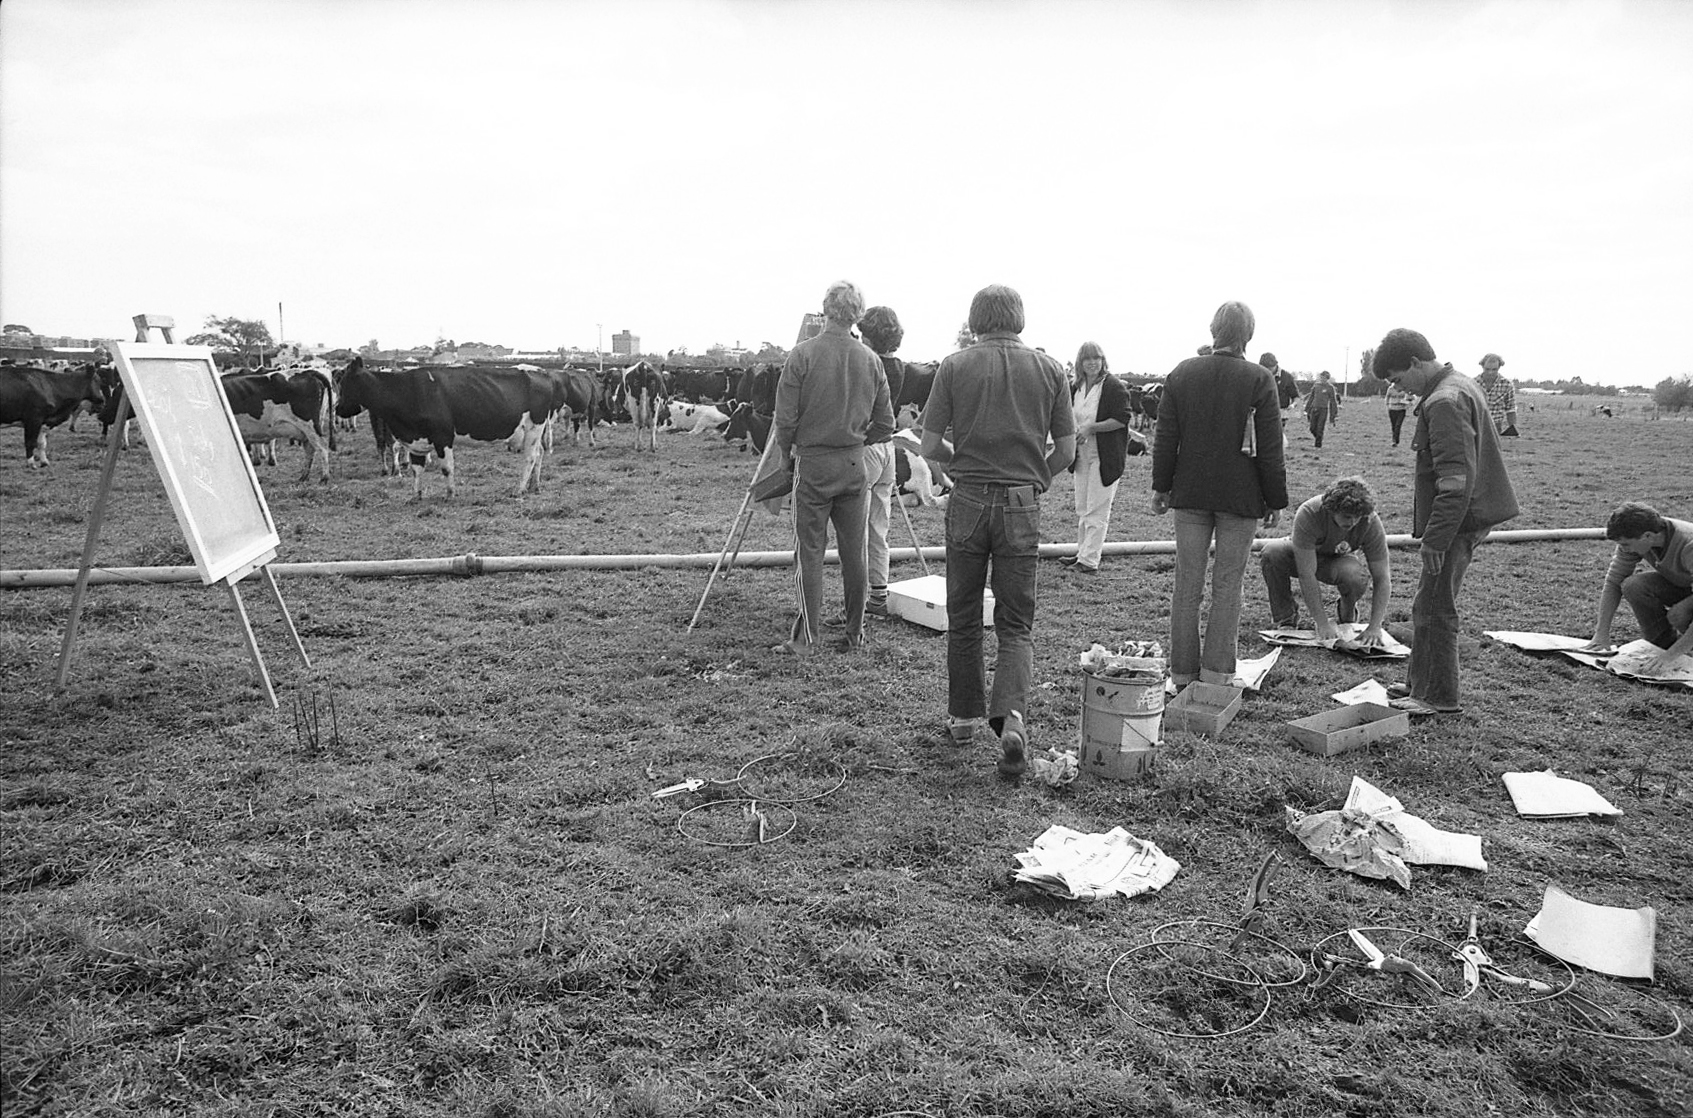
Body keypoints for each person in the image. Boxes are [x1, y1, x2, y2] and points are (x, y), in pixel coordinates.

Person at [920, 285, 1074, 777]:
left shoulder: (954, 365)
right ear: (1019, 319)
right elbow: (1067, 450)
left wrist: (960, 461)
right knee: (1016, 623)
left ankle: (964, 717)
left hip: (966, 500)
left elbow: (927, 444)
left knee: (963, 615)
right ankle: (1011, 720)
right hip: (1020, 503)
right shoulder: (1050, 370)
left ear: (975, 319)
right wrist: (1035, 480)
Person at [1371, 328, 1519, 715]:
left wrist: (1435, 538)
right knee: (1428, 601)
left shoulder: (1444, 401)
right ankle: (1420, 682)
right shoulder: (1460, 385)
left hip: (1457, 519)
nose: (1401, 389)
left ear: (1417, 363)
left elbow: (1454, 480)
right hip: (1466, 514)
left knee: (1436, 605)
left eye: (1399, 379)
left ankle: (1438, 697)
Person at [1151, 301, 1287, 690]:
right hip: (1241, 498)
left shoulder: (1182, 373)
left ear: (1213, 330)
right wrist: (1275, 498)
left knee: (1186, 585)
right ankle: (1217, 675)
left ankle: (1182, 674)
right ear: (1249, 335)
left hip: (1190, 493)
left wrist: (1161, 486)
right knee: (1228, 584)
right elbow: (1270, 447)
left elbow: (1166, 437)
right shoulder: (1260, 379)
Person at [772, 280, 895, 656]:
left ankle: (807, 638)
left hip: (813, 462)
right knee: (853, 552)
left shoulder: (802, 355)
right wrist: (856, 437)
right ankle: (855, 633)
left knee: (808, 552)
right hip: (855, 463)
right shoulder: (871, 360)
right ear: (857, 314)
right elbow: (886, 423)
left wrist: (786, 455)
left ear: (825, 309)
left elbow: (785, 419)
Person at [1260, 476, 1392, 647]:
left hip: (1339, 561)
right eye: (1346, 517)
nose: (1352, 522)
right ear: (1331, 510)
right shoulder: (1309, 513)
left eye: (1356, 517)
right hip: (1303, 555)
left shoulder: (1370, 521)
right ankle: (1285, 619)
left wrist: (1375, 626)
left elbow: (1382, 577)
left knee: (1354, 575)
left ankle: (1347, 611)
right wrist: (1321, 622)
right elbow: (1306, 574)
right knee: (1272, 552)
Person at [1579, 502, 1693, 674]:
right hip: (1686, 585)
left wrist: (1671, 656)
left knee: (1680, 614)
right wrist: (1601, 633)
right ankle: (1660, 645)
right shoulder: (1641, 538)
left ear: (1647, 536)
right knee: (1634, 586)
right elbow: (1614, 581)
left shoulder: (1689, 545)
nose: (1624, 549)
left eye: (1626, 544)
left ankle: (1674, 652)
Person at [1062, 341, 1134, 574]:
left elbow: (1122, 419)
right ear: (1080, 362)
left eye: (1097, 358)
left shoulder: (1113, 386)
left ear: (1103, 361)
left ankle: (1090, 560)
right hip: (1081, 453)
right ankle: (1082, 552)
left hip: (1105, 456)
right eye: (1087, 358)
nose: (1092, 363)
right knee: (1082, 506)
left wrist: (1092, 428)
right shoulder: (1077, 386)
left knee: (1097, 508)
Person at [855, 306, 907, 619]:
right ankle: (878, 593)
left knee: (854, 528)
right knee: (878, 525)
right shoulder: (898, 366)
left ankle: (856, 600)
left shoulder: (867, 363)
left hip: (866, 448)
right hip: (887, 449)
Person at [1477, 353, 1519, 437]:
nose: (1490, 372)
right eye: (1487, 369)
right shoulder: (1473, 383)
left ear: (1499, 367)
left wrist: (1513, 430)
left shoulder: (1507, 385)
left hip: (1495, 427)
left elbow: (1510, 409)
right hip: (1476, 426)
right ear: (1482, 366)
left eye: (1494, 369)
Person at [1263, 352, 1299, 431]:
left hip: (1281, 414)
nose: (1267, 370)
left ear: (1275, 365)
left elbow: (1296, 396)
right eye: (1265, 368)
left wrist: (1293, 405)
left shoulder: (1287, 377)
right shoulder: (1260, 375)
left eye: (1269, 368)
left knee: (1277, 437)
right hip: (1263, 413)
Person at [1305, 370, 1340, 447]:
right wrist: (1307, 409)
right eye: (1321, 377)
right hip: (1314, 409)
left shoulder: (1330, 388)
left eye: (1324, 378)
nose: (1322, 379)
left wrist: (1334, 414)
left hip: (1323, 410)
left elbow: (1333, 401)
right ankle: (1319, 438)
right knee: (1312, 428)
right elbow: (1311, 397)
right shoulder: (1316, 386)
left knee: (1320, 428)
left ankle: (1317, 446)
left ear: (1327, 379)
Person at [1385, 380, 1413, 446]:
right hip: (1392, 409)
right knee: (1394, 426)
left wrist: (1406, 403)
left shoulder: (1404, 389)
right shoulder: (1390, 389)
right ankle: (1394, 440)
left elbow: (1411, 399)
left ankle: (1395, 441)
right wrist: (1388, 405)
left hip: (1401, 410)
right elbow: (1387, 398)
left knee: (1398, 425)